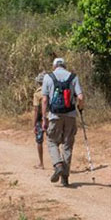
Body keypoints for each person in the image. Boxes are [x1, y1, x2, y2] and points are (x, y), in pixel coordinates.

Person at [41, 58, 84, 187]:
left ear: (54, 66)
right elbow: (80, 97)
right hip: (70, 116)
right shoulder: (73, 77)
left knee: (51, 141)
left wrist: (44, 118)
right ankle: (65, 178)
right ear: (64, 66)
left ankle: (58, 164)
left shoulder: (48, 77)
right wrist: (80, 107)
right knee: (67, 145)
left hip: (54, 116)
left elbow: (44, 100)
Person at [33, 72, 46, 169]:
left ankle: (41, 163)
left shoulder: (37, 93)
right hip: (52, 118)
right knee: (53, 141)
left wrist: (34, 124)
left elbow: (36, 110)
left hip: (40, 120)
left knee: (39, 141)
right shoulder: (52, 90)